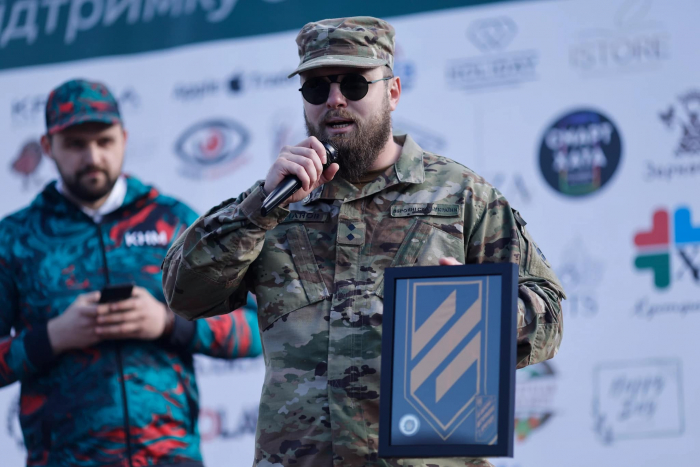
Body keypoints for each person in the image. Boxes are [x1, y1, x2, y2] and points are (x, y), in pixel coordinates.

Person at [162, 16, 566, 467]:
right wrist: (257, 207)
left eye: (354, 84)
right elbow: (184, 294)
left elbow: (549, 314)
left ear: (392, 92)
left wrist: (481, 310)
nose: (335, 100)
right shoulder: (274, 203)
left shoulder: (461, 195)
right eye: (317, 88)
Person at [0, 79, 262, 467]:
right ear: (47, 146)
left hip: (171, 457)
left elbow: (257, 329)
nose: (92, 156)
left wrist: (167, 323)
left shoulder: (174, 223)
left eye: (104, 141)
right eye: (75, 144)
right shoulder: (15, 239)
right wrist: (53, 337)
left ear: (123, 138)